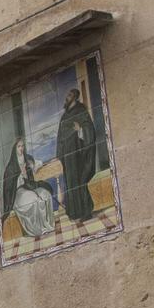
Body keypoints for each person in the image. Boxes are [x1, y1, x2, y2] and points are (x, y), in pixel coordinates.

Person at [57, 86, 97, 223]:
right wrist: (60, 154)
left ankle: (86, 211)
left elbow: (89, 129)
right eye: (67, 95)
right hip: (68, 156)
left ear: (74, 97)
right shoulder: (64, 116)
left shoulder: (81, 111)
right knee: (71, 182)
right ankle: (74, 212)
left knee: (80, 181)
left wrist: (80, 130)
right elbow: (60, 137)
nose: (66, 97)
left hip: (78, 153)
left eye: (69, 95)